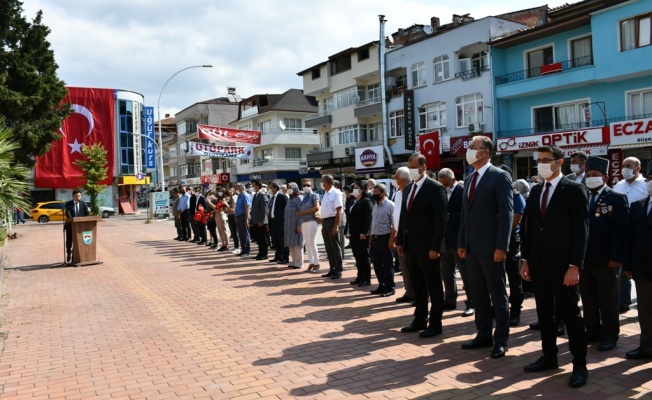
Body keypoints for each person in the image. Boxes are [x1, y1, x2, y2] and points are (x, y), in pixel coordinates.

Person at [520, 145, 589, 388]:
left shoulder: (574, 189)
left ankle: (579, 364)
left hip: (564, 266)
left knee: (571, 316)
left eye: (546, 160)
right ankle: (549, 356)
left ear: (559, 162)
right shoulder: (537, 190)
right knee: (544, 314)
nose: (541, 164)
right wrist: (525, 259)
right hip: (538, 264)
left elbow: (581, 231)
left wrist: (574, 266)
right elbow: (529, 229)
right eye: (539, 160)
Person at [457, 136, 513, 359]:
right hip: (471, 248)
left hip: (492, 249)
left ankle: (501, 340)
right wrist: (462, 242)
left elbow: (506, 214)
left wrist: (502, 246)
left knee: (498, 295)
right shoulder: (470, 179)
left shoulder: (499, 176)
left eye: (473, 148)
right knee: (479, 294)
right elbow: (465, 215)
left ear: (485, 152)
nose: (469, 152)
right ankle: (483, 334)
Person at [396, 154, 448, 339]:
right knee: (417, 285)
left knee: (433, 286)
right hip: (410, 246)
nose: (411, 170)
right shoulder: (408, 188)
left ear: (424, 167)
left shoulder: (436, 188)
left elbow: (441, 220)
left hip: (428, 248)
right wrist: (400, 241)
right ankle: (419, 320)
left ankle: (435, 324)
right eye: (408, 167)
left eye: (414, 166)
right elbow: (404, 216)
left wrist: (435, 247)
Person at [581, 157, 629, 351]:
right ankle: (592, 330)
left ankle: (610, 334)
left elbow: (622, 231)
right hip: (584, 259)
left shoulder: (616, 198)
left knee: (608, 300)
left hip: (607, 260)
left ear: (606, 177)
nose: (591, 178)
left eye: (595, 175)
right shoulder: (581, 195)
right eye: (588, 175)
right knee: (588, 298)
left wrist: (616, 258)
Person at [437, 168, 474, 317]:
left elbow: (468, 214)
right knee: (446, 272)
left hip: (459, 240)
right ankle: (450, 299)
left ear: (453, 180)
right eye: (441, 184)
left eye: (446, 183)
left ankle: (472, 302)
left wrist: (449, 215)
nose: (444, 186)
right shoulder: (440, 192)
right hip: (444, 240)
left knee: (466, 274)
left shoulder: (463, 191)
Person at [623, 178, 652, 360]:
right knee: (646, 310)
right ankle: (647, 347)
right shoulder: (637, 205)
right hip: (643, 269)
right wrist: (628, 265)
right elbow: (630, 237)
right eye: (651, 178)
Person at [613, 156, 647, 314]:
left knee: (638, 268)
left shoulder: (646, 185)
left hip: (638, 233)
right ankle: (622, 300)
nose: (625, 168)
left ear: (638, 168)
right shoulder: (618, 185)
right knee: (621, 267)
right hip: (619, 231)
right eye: (623, 165)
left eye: (629, 165)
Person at [500, 165, 525, 327]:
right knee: (496, 277)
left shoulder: (516, 197)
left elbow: (515, 221)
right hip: (494, 241)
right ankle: (499, 308)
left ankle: (515, 310)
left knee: (514, 276)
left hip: (510, 241)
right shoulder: (494, 195)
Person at [390, 167, 415, 304]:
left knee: (412, 267)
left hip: (411, 235)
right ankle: (409, 291)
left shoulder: (412, 191)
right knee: (404, 266)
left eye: (396, 178)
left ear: (404, 180)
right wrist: (394, 234)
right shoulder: (398, 193)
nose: (394, 179)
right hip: (400, 234)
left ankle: (417, 293)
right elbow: (397, 215)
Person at [369, 183, 395, 297]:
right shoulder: (375, 205)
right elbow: (373, 223)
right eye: (373, 192)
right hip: (375, 238)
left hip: (385, 238)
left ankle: (390, 287)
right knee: (377, 264)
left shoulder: (390, 205)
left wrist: (391, 240)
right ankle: (382, 285)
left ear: (383, 193)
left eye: (376, 193)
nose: (374, 195)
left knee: (387, 264)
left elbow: (395, 225)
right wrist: (371, 238)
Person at [348, 181, 373, 287]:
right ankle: (360, 276)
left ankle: (366, 278)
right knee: (357, 256)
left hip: (361, 234)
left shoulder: (366, 202)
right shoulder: (353, 201)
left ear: (362, 190)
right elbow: (350, 217)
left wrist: (364, 232)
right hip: (353, 233)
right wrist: (347, 231)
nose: (354, 189)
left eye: (356, 188)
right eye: (353, 187)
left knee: (364, 256)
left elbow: (368, 219)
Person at [319, 175, 344, 280]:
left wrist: (336, 226)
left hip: (332, 221)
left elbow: (338, 210)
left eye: (323, 182)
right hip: (325, 222)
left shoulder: (336, 193)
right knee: (328, 247)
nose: (322, 184)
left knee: (335, 247)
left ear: (327, 182)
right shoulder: (325, 193)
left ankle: (338, 269)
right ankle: (332, 268)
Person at [297, 179, 321, 272]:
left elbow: (316, 207)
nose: (305, 186)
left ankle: (317, 263)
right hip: (304, 221)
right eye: (304, 185)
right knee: (307, 243)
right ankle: (311, 262)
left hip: (312, 220)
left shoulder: (314, 195)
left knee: (312, 242)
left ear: (311, 186)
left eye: (307, 185)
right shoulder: (304, 196)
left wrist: (303, 212)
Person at [64, 189, 90, 263]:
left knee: (78, 241)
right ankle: (68, 252)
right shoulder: (69, 204)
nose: (78, 197)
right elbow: (67, 214)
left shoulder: (83, 203)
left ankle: (74, 256)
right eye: (76, 196)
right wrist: (72, 220)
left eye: (79, 196)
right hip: (70, 226)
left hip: (80, 226)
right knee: (69, 241)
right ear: (73, 196)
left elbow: (87, 213)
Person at [284, 182, 304, 270]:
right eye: (288, 187)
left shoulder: (299, 198)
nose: (288, 189)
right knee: (291, 244)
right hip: (289, 225)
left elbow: (301, 213)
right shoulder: (290, 199)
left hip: (296, 225)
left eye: (290, 187)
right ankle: (294, 261)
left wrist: (299, 225)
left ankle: (299, 263)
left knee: (297, 244)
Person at [268, 182, 289, 264]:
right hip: (273, 221)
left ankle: (285, 257)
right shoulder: (272, 197)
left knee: (282, 240)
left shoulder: (281, 196)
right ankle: (278, 255)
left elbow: (286, 208)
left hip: (280, 221)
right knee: (275, 240)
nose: (270, 189)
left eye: (271, 188)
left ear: (276, 188)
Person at [250, 180, 269, 260]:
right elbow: (254, 209)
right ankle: (260, 253)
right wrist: (251, 220)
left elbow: (264, 209)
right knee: (258, 239)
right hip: (255, 221)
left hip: (261, 222)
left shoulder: (262, 195)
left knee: (263, 238)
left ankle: (264, 254)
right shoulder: (255, 195)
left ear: (258, 186)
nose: (252, 187)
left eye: (253, 185)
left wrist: (261, 220)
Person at [234, 183, 252, 257]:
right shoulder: (239, 196)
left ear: (241, 188)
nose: (237, 190)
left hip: (244, 216)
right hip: (239, 217)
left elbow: (247, 208)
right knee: (241, 234)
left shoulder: (245, 195)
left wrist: (246, 219)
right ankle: (243, 249)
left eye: (237, 188)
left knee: (245, 234)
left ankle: (246, 250)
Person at [224, 188, 240, 254]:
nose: (226, 197)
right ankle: (235, 246)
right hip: (229, 216)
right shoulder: (229, 200)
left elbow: (233, 210)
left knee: (235, 232)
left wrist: (226, 205)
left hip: (233, 217)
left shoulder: (233, 199)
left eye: (227, 195)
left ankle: (237, 247)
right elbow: (228, 210)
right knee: (232, 233)